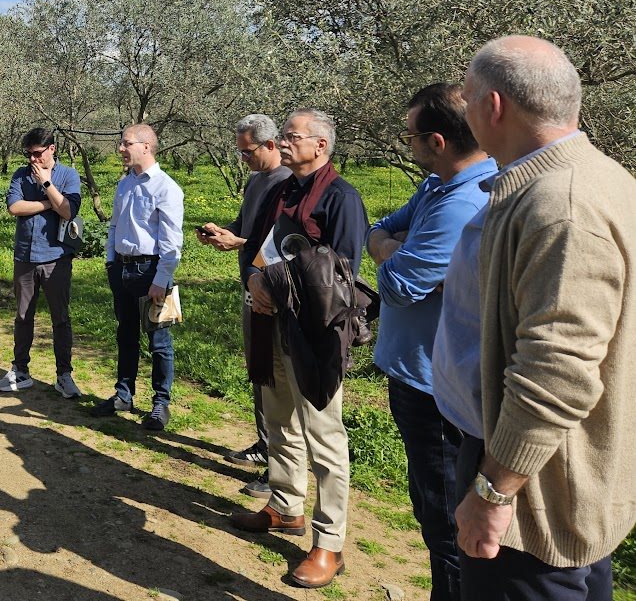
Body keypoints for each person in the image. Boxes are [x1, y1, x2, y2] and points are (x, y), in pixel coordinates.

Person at [443, 36, 636, 601]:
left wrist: (495, 492)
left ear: (493, 106)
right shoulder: (598, 177)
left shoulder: (562, 207)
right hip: (557, 477)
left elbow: (558, 374)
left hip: (535, 498)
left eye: (469, 98)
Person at [366, 84, 496, 601]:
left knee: (445, 519)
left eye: (412, 136)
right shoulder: (436, 187)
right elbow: (380, 231)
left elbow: (397, 285)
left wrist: (392, 253)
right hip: (415, 375)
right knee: (429, 505)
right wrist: (394, 248)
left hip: (435, 390)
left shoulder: (463, 200)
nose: (409, 145)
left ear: (437, 140)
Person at [230, 108, 368, 589]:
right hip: (272, 324)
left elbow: (343, 274)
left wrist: (278, 281)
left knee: (325, 440)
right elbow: (258, 247)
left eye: (293, 137)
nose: (283, 143)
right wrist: (254, 278)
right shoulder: (284, 190)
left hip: (313, 335)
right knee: (279, 420)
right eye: (284, 136)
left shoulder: (342, 198)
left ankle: (329, 543)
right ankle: (285, 506)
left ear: (321, 146)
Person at [197, 113, 291, 496]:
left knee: (276, 379)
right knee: (259, 371)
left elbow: (279, 243)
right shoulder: (256, 182)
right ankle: (264, 444)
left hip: (273, 291)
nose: (243, 160)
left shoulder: (286, 184)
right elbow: (245, 227)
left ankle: (280, 467)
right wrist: (225, 234)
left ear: (270, 145)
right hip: (251, 286)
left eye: (247, 151)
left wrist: (242, 244)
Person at [91, 123, 184, 432]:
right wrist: (110, 262)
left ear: (146, 146)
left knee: (159, 340)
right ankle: (123, 395)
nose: (121, 148)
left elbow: (172, 242)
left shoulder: (166, 188)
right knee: (125, 334)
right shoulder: (125, 183)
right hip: (122, 269)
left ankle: (160, 403)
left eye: (126, 143)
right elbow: (115, 226)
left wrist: (162, 278)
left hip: (151, 272)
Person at [0, 127, 83, 398]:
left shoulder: (68, 175)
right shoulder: (20, 175)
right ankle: (20, 370)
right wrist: (48, 203)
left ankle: (63, 375)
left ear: (52, 149)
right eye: (28, 154)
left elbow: (68, 210)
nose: (32, 159)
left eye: (37, 153)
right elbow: (14, 207)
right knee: (23, 316)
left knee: (61, 318)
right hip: (25, 256)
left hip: (57, 258)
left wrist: (46, 184)